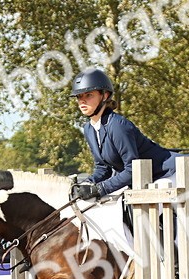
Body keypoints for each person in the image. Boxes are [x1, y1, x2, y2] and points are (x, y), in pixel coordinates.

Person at [68, 68, 174, 201]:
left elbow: (133, 169)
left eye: (88, 95)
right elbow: (103, 168)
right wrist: (87, 183)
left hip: (166, 175)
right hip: (143, 181)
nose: (82, 101)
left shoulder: (118, 125)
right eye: (79, 96)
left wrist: (100, 188)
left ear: (104, 95)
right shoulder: (89, 129)